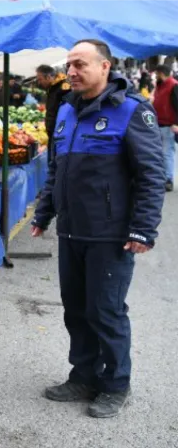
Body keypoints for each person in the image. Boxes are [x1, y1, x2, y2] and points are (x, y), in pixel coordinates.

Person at [32, 39, 165, 419]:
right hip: (72, 232)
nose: (71, 71)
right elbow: (57, 170)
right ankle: (83, 375)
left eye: (80, 64)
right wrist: (44, 214)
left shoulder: (132, 111)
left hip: (110, 235)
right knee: (76, 310)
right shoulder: (65, 111)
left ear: (104, 67)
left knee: (105, 312)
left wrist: (143, 229)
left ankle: (116, 384)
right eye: (69, 64)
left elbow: (151, 175)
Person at [152, 64, 178, 191]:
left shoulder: (173, 85)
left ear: (162, 73)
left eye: (157, 73)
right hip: (159, 123)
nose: (156, 76)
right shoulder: (161, 85)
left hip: (169, 124)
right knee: (161, 152)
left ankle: (168, 179)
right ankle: (163, 177)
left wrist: (177, 123)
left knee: (167, 152)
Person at [36, 64, 72, 141]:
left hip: (60, 132)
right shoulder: (52, 88)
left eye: (40, 79)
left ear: (48, 77)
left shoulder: (64, 87)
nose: (39, 82)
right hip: (52, 131)